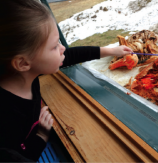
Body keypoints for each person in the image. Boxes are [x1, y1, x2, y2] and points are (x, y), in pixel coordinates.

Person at [0, 0, 133, 162]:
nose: (62, 48)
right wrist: (41, 135)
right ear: (23, 63)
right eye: (55, 46)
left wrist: (110, 51)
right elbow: (20, 156)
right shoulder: (7, 117)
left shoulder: (22, 73)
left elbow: (68, 56)